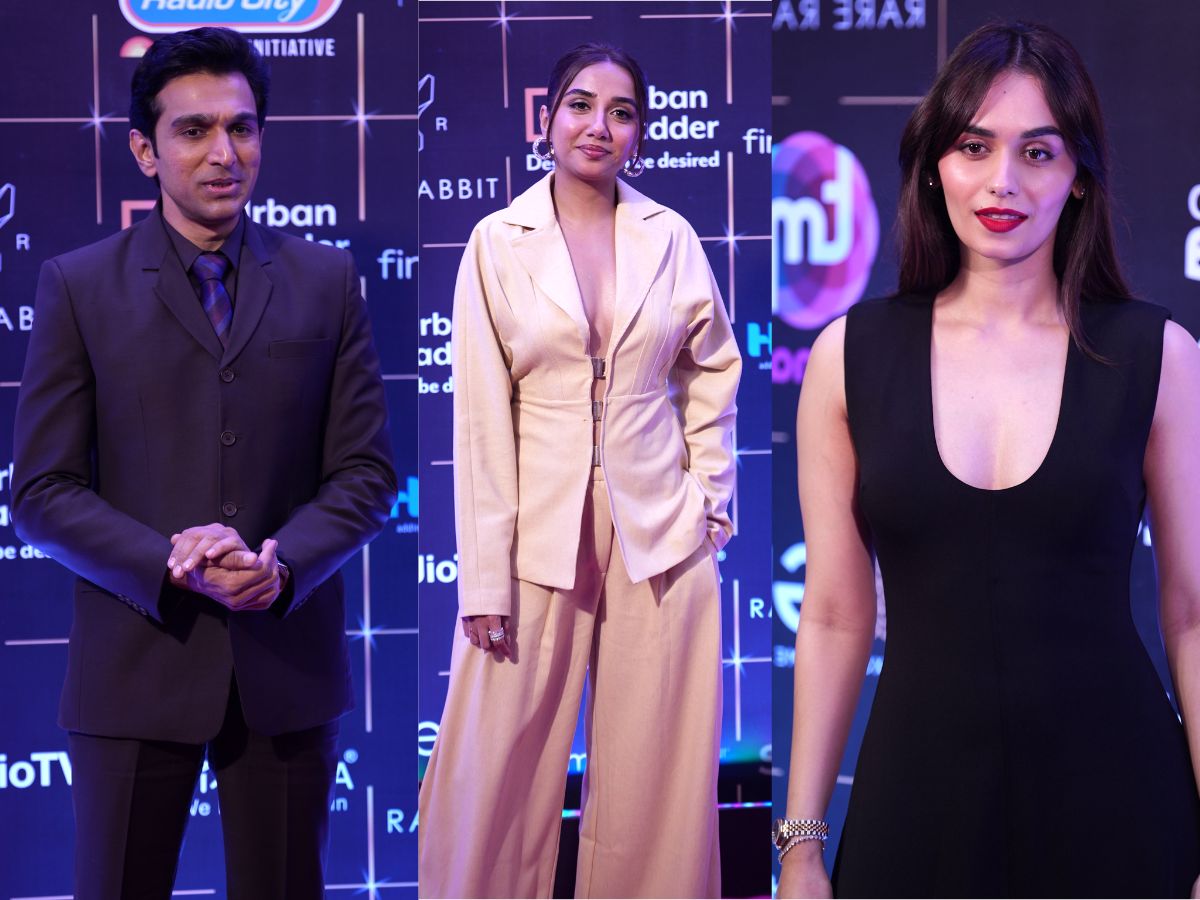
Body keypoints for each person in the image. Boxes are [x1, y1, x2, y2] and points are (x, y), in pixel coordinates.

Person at [777, 20, 1200, 899]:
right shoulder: (849, 356)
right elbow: (834, 617)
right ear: (936, 164)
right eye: (975, 146)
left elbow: (1192, 615)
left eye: (1037, 152)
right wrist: (800, 846)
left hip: (1121, 804)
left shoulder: (1158, 356)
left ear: (1078, 176)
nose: (1003, 180)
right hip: (914, 806)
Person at [11, 27, 396, 900]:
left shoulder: (327, 281)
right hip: (134, 664)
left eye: (242, 127)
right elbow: (41, 491)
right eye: (194, 130)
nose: (225, 152)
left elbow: (368, 476)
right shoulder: (79, 285)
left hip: (286, 668)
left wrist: (281, 566)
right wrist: (171, 562)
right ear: (145, 151)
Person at [417, 42, 741, 899]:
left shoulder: (671, 238)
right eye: (581, 105)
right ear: (548, 119)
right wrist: (483, 580)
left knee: (658, 781)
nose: (599, 126)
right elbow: (479, 420)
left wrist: (709, 501)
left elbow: (714, 369)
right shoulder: (497, 242)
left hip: (660, 535)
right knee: (493, 774)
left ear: (639, 132)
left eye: (622, 112)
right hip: (534, 541)